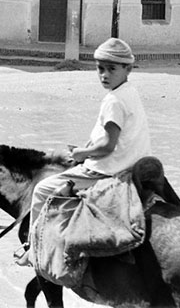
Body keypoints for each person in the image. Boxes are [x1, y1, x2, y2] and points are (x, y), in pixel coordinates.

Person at [18, 38, 150, 265]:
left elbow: (108, 146)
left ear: (128, 69)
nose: (104, 75)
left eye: (112, 69)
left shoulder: (114, 101)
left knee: (41, 189)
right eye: (100, 69)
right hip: (133, 162)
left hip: (109, 169)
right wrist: (87, 148)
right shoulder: (130, 91)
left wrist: (81, 154)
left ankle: (34, 249)